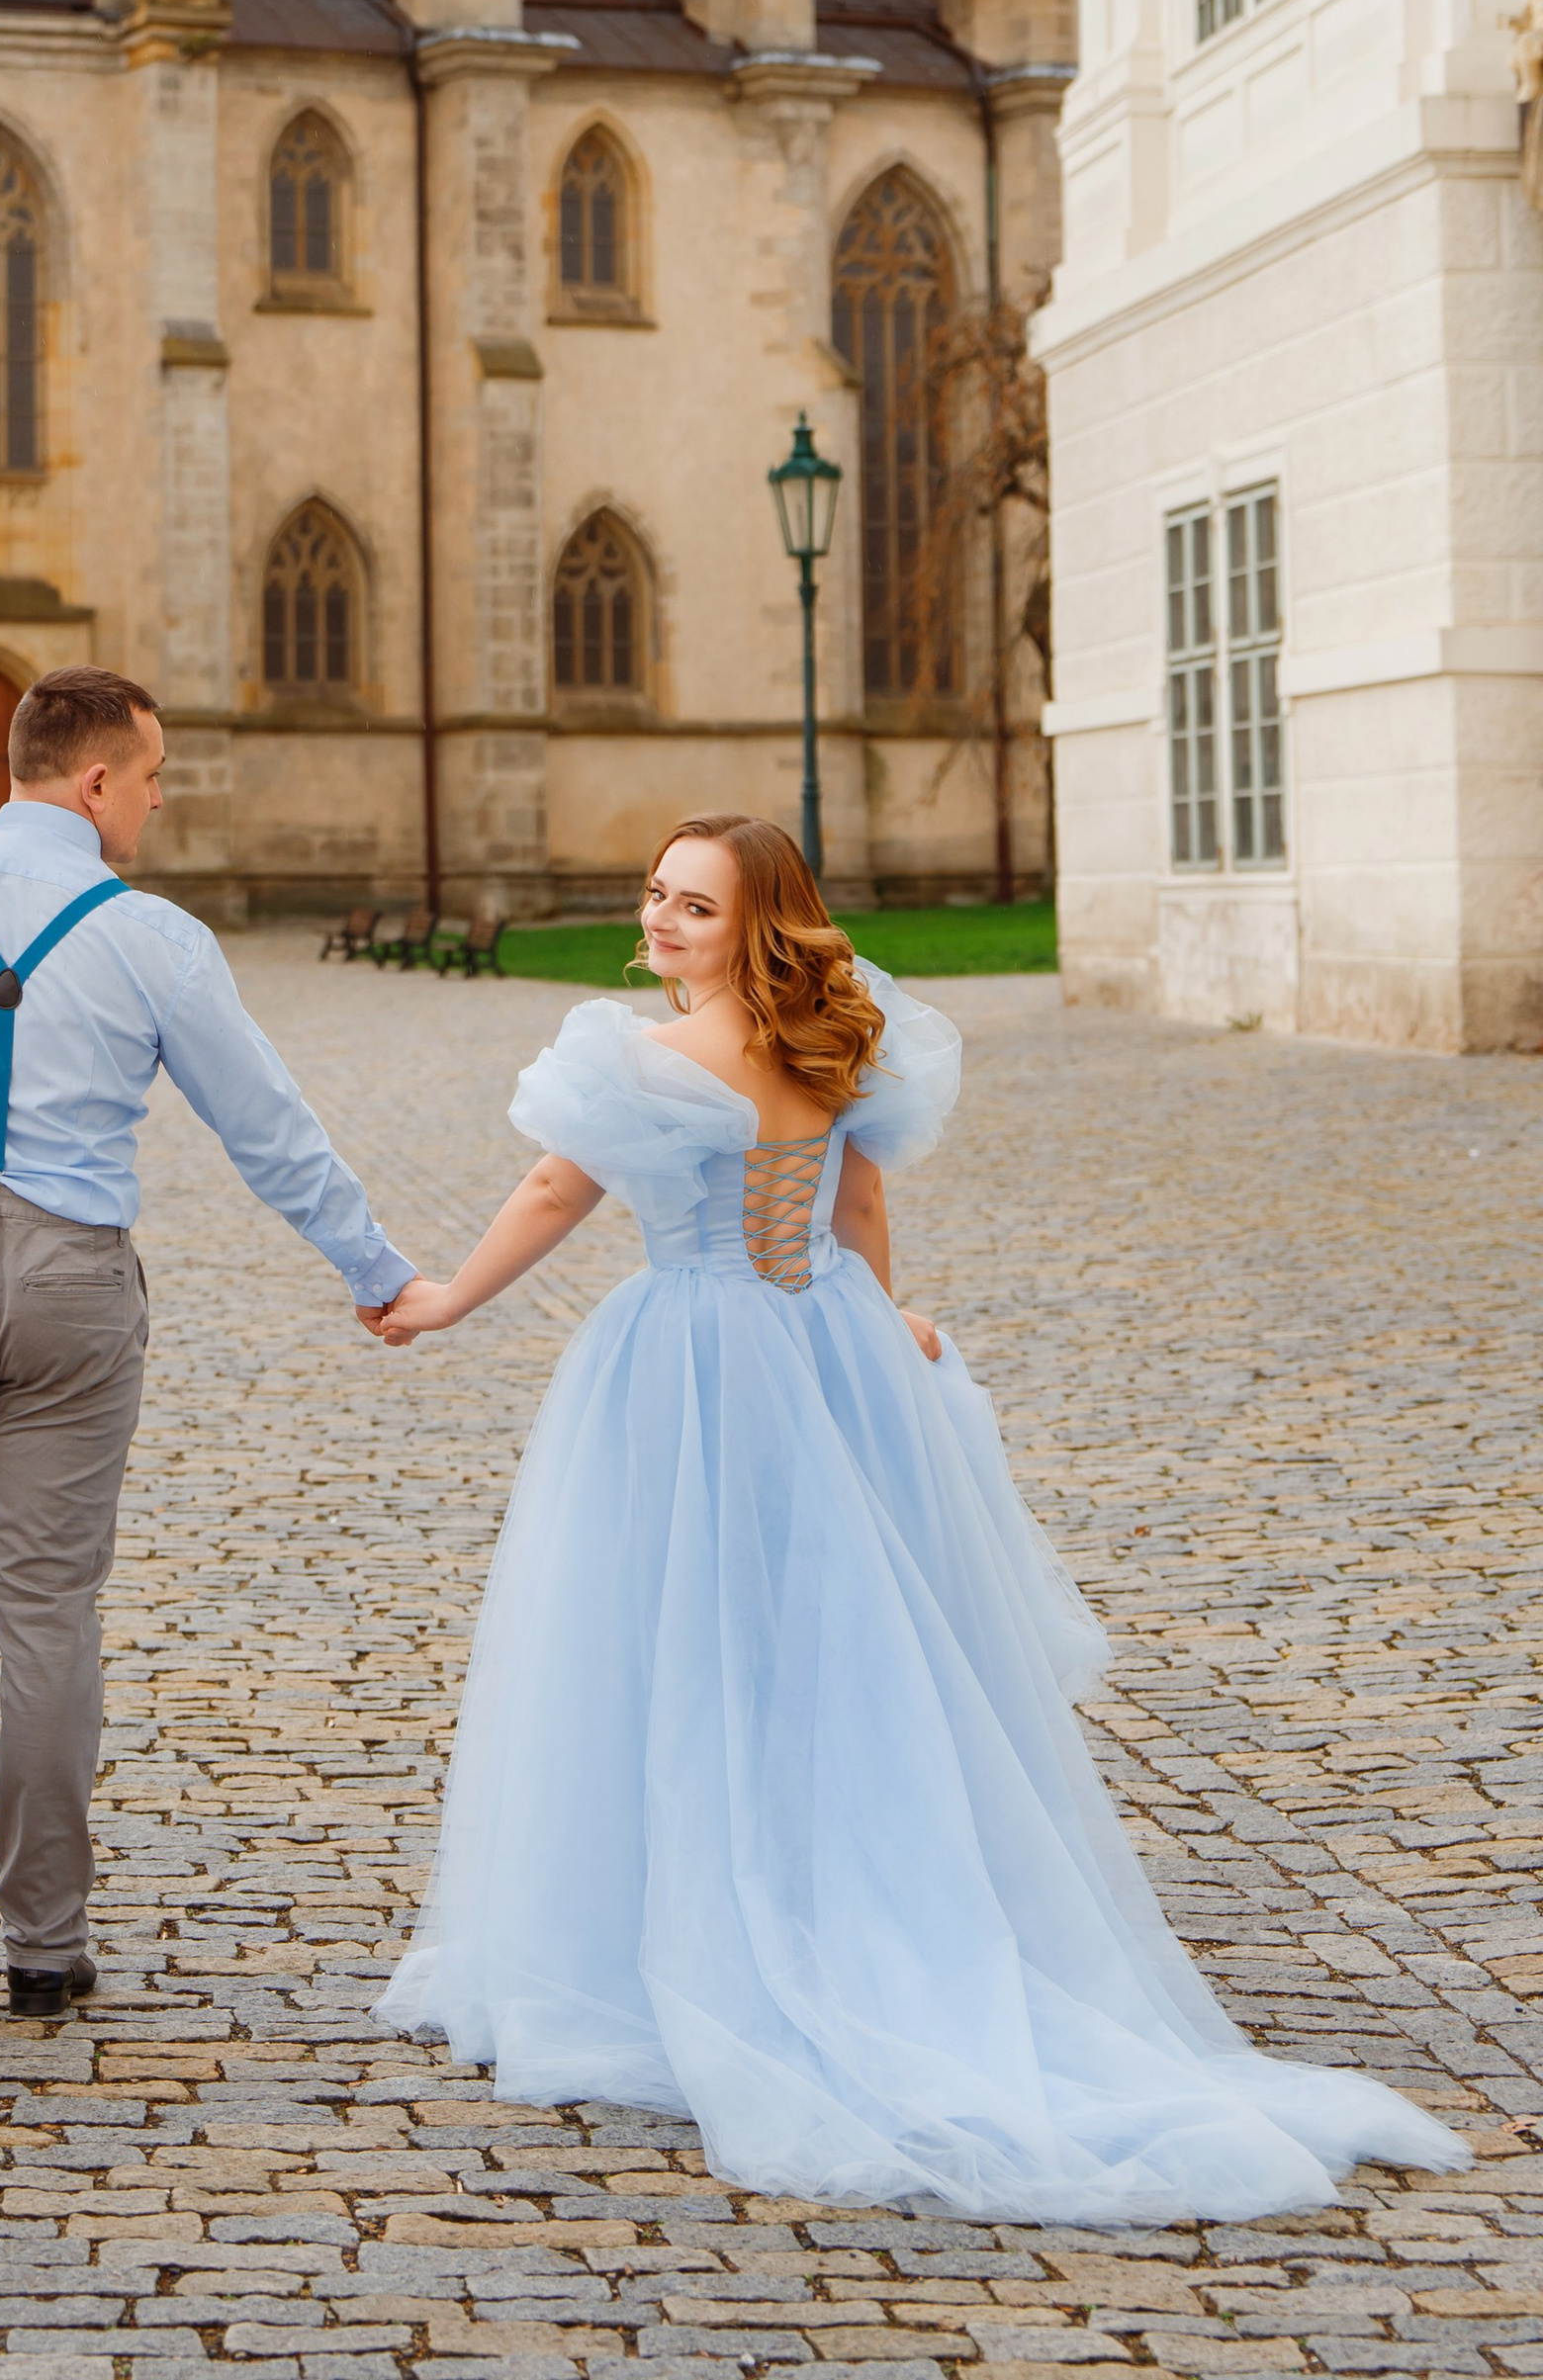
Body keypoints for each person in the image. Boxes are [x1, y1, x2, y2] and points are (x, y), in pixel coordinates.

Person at [372, 812, 1469, 2224]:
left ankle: (700, 1921)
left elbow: (552, 1187)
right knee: (833, 1628)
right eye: (655, 894)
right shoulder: (833, 1043)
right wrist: (879, 1329)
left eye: (694, 905)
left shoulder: (643, 1059)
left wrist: (447, 1299)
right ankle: (820, 1880)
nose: (659, 920)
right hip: (824, 1340)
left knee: (688, 1628)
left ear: (757, 924)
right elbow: (859, 1209)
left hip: (699, 1354)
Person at [0, 664, 415, 2017]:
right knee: (49, 1601)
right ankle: (44, 1942)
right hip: (75, 1275)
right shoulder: (154, 936)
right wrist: (373, 1266)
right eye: (152, 777)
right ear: (96, 779)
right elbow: (266, 1125)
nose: (159, 801)